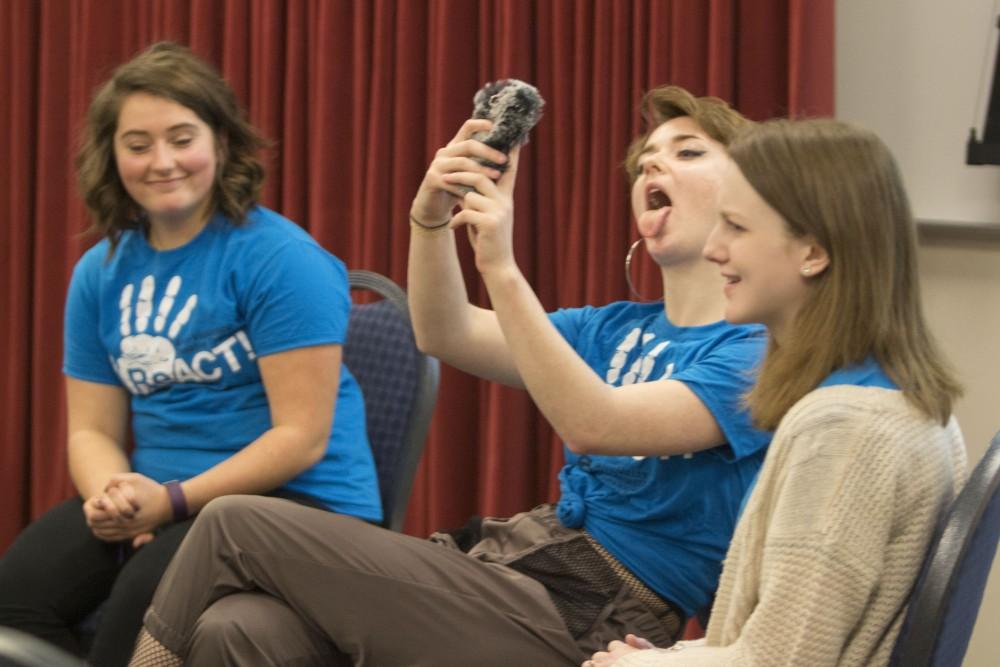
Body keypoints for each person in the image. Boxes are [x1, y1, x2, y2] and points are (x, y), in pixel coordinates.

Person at [126, 85, 771, 667]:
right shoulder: (612, 328)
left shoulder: (759, 351)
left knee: (235, 523)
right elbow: (445, 332)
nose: (651, 164)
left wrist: (502, 265)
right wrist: (430, 217)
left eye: (687, 152)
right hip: (519, 569)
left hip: (596, 614)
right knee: (240, 627)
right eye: (644, 159)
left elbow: (596, 423)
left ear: (754, 195)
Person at [0, 42, 382, 667]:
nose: (162, 162)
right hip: (160, 498)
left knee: (137, 615)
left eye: (182, 138)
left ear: (222, 143)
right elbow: (91, 430)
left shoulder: (281, 259)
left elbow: (301, 438)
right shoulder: (100, 272)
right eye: (139, 143)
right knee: (16, 603)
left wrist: (171, 502)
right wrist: (116, 500)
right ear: (112, 154)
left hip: (296, 506)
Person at [584, 119, 968, 667]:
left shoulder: (844, 431)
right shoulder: (897, 400)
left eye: (735, 227)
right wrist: (677, 657)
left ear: (813, 252)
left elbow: (786, 661)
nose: (714, 249)